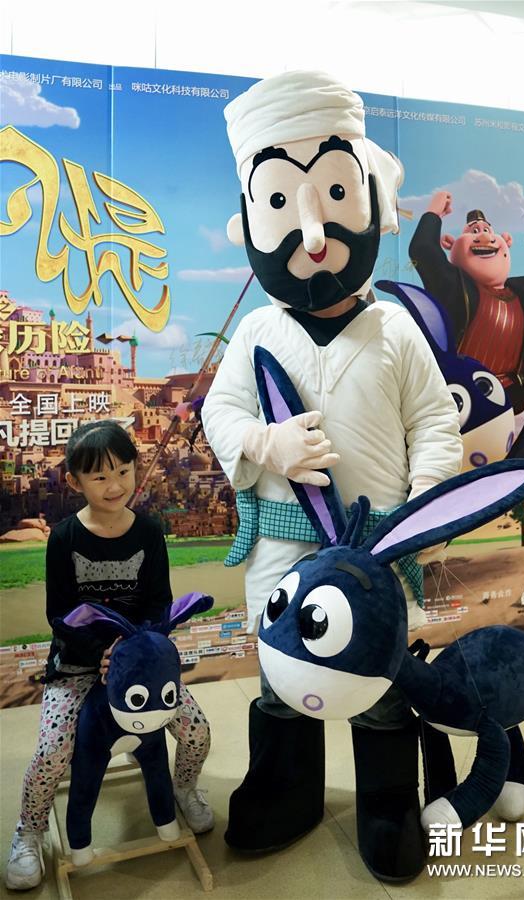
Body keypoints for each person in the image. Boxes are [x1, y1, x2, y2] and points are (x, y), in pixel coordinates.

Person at [202, 70, 463, 881]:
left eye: (333, 196)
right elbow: (220, 413)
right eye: (281, 204)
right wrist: (265, 444)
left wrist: (423, 506)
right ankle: (284, 791)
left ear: (369, 201)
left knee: (380, 685)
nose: (312, 235)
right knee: (281, 678)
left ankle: (386, 805)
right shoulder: (255, 332)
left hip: (378, 548)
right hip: (284, 549)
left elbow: (435, 423)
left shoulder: (393, 328)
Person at [4, 420, 213, 892]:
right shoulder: (64, 538)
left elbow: (159, 603)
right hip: (78, 666)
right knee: (52, 751)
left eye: (123, 471)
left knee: (197, 730)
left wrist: (132, 652)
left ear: (135, 468)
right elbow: (61, 615)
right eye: (100, 476)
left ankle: (183, 788)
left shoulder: (149, 532)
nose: (115, 484)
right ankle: (29, 830)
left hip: (139, 663)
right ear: (75, 481)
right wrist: (101, 653)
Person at [409, 193, 524, 414]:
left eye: (487, 230)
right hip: (461, 396)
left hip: (511, 394)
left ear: (506, 242)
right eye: (473, 231)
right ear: (450, 245)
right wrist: (433, 214)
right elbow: (423, 251)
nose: (484, 236)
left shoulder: (521, 289)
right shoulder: (454, 286)